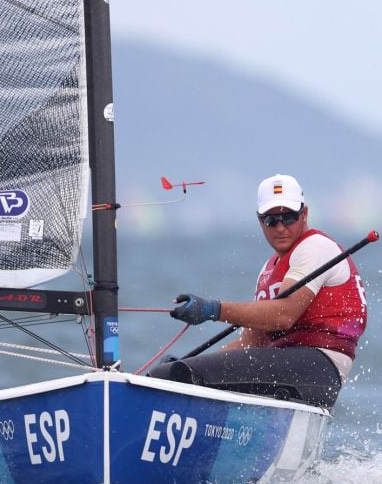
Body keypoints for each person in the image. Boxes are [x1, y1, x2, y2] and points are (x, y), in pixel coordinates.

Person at [148, 173, 367, 409]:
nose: (280, 227)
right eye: (271, 220)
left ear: (304, 214)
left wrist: (214, 310)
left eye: (288, 217)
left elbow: (284, 315)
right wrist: (190, 362)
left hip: (318, 367)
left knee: (178, 375)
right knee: (174, 372)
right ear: (260, 221)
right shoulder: (267, 270)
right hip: (285, 366)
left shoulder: (315, 247)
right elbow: (253, 341)